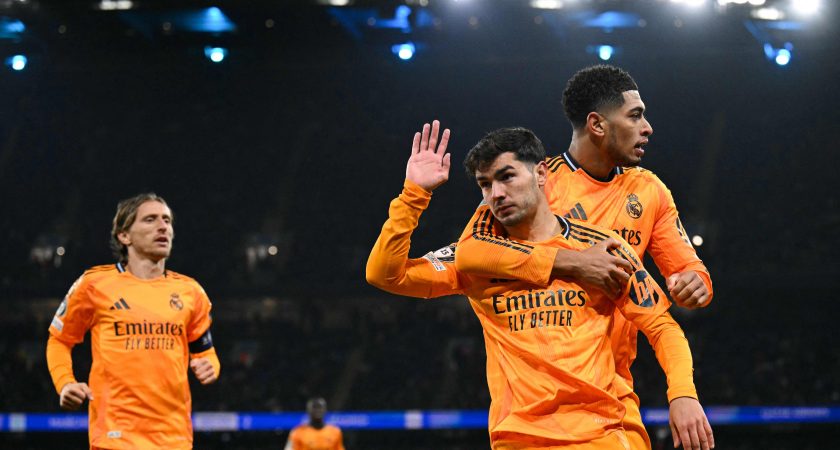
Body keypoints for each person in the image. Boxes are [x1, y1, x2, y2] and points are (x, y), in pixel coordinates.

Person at [366, 122, 713, 449]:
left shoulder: (601, 249)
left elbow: (662, 326)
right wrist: (414, 195)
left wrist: (682, 393)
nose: (497, 194)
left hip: (602, 433)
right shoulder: (475, 260)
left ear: (542, 173)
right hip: (518, 439)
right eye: (485, 185)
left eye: (507, 176)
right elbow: (385, 274)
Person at [453, 65, 713, 449]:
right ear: (597, 124)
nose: (647, 128)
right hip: (539, 392)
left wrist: (695, 283)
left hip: (612, 387)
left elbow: (687, 274)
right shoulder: (531, 183)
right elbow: (471, 250)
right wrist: (573, 263)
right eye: (635, 116)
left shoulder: (650, 191)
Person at [45, 193, 221, 450]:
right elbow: (59, 340)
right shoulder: (94, 285)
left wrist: (211, 366)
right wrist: (65, 383)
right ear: (124, 236)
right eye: (150, 219)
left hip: (173, 439)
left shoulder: (191, 292)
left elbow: (205, 352)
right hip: (115, 437)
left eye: (167, 220)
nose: (163, 227)